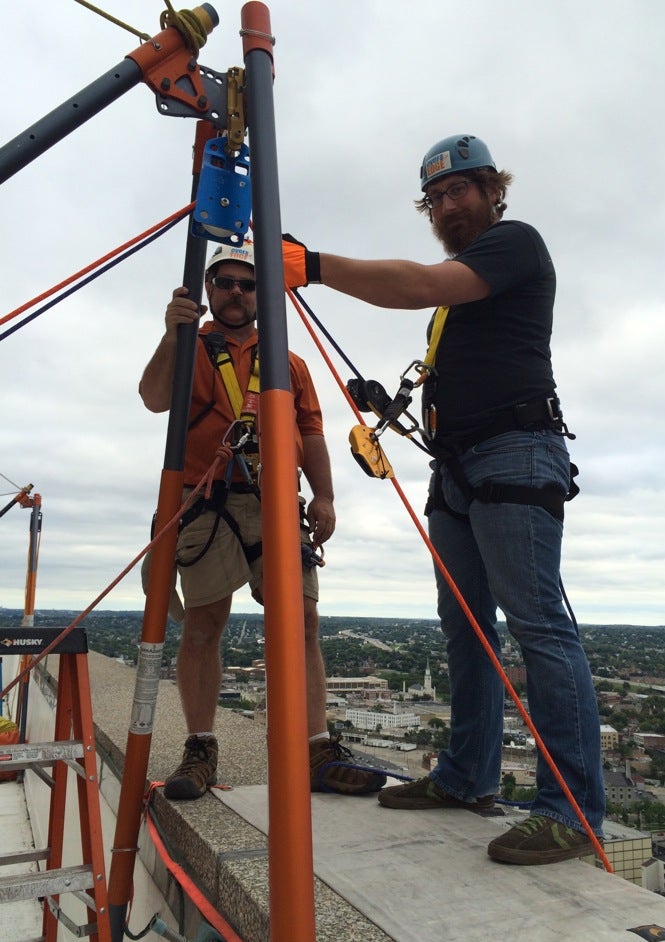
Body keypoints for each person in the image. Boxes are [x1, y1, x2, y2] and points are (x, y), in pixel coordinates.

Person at [282, 135, 605, 865]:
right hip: (461, 467)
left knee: (538, 626)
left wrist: (316, 267)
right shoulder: (457, 307)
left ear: (494, 192)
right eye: (435, 198)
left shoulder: (515, 245)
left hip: (512, 453)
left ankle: (572, 811)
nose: (447, 205)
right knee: (466, 629)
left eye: (461, 189)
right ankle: (467, 776)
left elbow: (421, 282)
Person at [139, 240, 386, 800]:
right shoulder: (192, 348)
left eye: (247, 284)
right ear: (209, 289)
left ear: (262, 294)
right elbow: (154, 399)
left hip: (273, 498)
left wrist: (324, 497)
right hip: (206, 497)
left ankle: (316, 747)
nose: (236, 292)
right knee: (205, 622)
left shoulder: (287, 363)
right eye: (225, 282)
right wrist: (173, 333)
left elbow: (311, 433)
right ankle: (200, 746)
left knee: (302, 620)